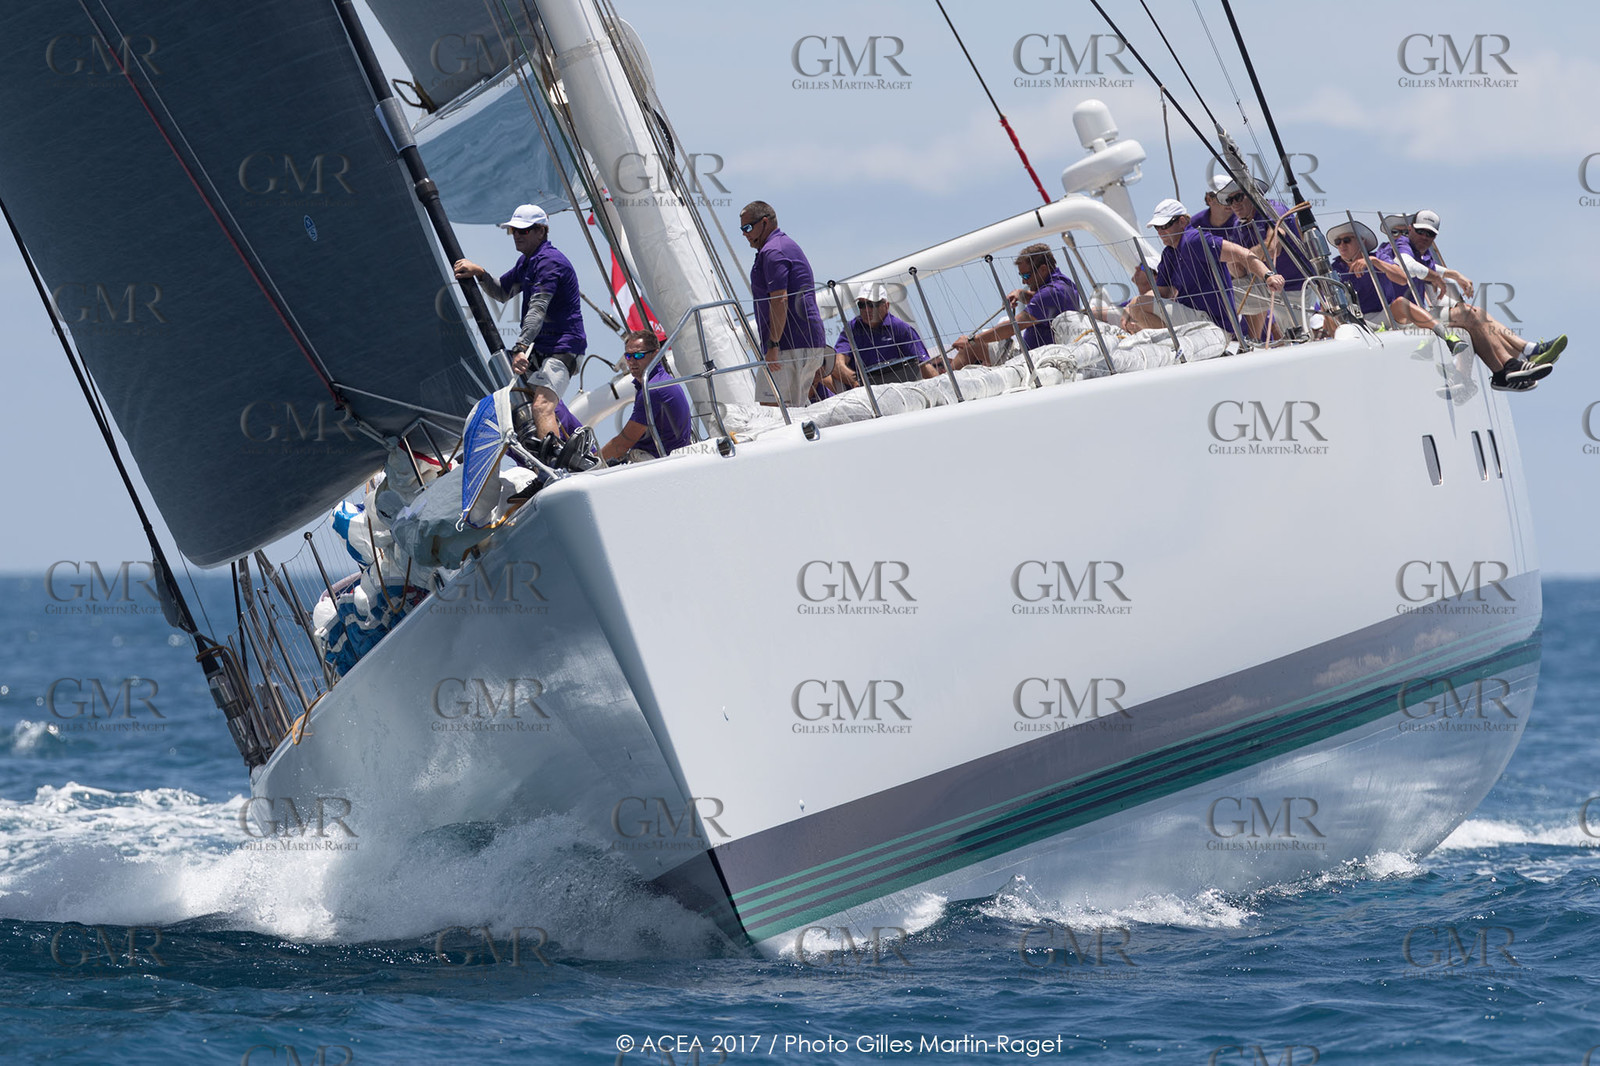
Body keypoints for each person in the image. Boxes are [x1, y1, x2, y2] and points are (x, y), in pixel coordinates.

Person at [1374, 211, 1554, 390]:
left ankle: (1523, 355)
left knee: (1477, 314)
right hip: (1400, 316)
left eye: (1430, 234)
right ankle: (1507, 368)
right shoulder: (1392, 248)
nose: (1424, 236)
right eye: (1419, 231)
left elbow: (1429, 267)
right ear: (1410, 230)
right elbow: (1409, 267)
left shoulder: (1420, 253)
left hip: (1419, 314)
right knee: (1468, 314)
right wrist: (1436, 277)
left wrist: (1454, 274)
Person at [454, 204, 587, 439]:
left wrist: (520, 348)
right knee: (517, 408)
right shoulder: (527, 262)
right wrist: (480, 273)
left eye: (523, 231)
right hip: (542, 350)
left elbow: (538, 309)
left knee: (541, 407)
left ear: (541, 231)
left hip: (562, 348)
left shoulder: (549, 262)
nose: (516, 235)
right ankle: (577, 448)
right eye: (513, 231)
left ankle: (556, 462)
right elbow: (502, 292)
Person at [1124, 198, 1281, 334]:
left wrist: (1268, 275)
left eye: (1165, 225)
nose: (1160, 232)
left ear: (1182, 221)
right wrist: (1131, 305)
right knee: (1138, 305)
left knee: (1139, 305)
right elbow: (1163, 292)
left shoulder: (1194, 240)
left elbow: (1241, 253)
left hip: (1212, 321)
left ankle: (1178, 341)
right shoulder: (1169, 253)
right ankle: (1178, 341)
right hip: (1195, 315)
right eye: (1157, 227)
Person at [740, 201, 830, 408]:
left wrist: (773, 345)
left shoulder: (773, 252)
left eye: (747, 228)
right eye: (741, 229)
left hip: (788, 346)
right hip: (804, 343)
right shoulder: (783, 245)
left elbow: (779, 300)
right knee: (793, 410)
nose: (744, 234)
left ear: (764, 222)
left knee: (773, 412)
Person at [950, 243, 1080, 367]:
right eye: (1021, 275)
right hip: (1039, 354)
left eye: (1026, 275)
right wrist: (1021, 294)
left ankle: (941, 385)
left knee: (969, 348)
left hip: (1030, 360)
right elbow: (1046, 306)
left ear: (1043, 269)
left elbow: (1013, 327)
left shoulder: (1049, 293)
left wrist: (972, 340)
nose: (1023, 280)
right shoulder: (1064, 284)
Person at [599, 329, 692, 463]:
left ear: (655, 354)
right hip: (668, 459)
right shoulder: (658, 382)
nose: (631, 361)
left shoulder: (654, 389)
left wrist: (590, 464)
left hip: (661, 463)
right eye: (628, 356)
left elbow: (623, 444)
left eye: (638, 356)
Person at [831, 282, 929, 387]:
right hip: (865, 391)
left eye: (872, 304)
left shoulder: (901, 329)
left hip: (901, 388)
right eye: (862, 305)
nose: (866, 309)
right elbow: (837, 364)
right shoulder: (851, 329)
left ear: (886, 305)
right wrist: (859, 384)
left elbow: (923, 365)